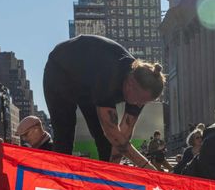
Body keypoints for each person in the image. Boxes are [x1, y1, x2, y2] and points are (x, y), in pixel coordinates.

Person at [42, 34, 164, 167]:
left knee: (105, 143)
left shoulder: (141, 89)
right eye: (140, 99)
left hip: (88, 85)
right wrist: (147, 167)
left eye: (145, 102)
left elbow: (123, 135)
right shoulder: (109, 75)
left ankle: (108, 178)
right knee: (64, 134)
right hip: (60, 71)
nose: (139, 105)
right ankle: (58, 177)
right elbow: (112, 134)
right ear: (130, 83)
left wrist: (114, 169)